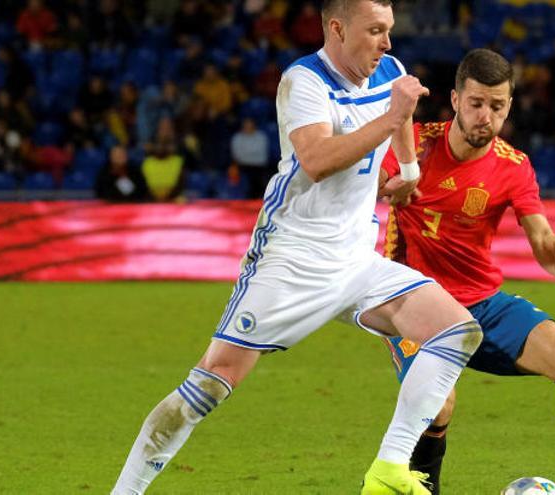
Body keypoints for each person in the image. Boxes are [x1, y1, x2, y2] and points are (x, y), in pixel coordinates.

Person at [111, 1, 482, 494]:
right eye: (375, 31)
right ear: (336, 28)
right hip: (293, 260)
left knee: (457, 332)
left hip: (356, 259)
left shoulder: (389, 70)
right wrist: (395, 113)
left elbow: (400, 123)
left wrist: (409, 170)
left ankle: (388, 470)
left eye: (389, 30)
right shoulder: (302, 81)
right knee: (212, 381)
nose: (387, 43)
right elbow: (316, 159)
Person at [378, 48, 555, 495]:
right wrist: (388, 189)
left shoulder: (513, 167)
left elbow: (541, 236)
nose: (485, 116)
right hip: (412, 302)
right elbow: (364, 190)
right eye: (476, 103)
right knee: (437, 406)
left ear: (509, 107)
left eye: (497, 106)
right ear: (455, 99)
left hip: (482, 304)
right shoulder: (412, 144)